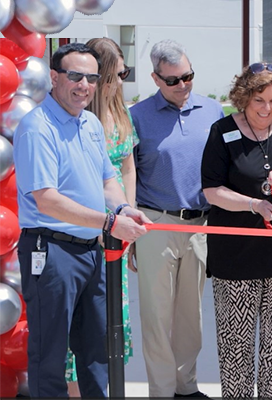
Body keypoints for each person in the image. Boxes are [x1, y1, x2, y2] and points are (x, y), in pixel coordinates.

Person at [12, 42, 149, 397]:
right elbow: (47, 200)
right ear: (54, 78)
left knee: (95, 353)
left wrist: (123, 209)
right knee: (51, 355)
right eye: (75, 76)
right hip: (53, 251)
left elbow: (107, 180)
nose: (84, 85)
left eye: (91, 77)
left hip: (92, 250)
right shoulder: (37, 127)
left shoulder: (88, 122)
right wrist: (108, 223)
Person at [201, 62, 272, 399]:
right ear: (243, 98)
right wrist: (254, 204)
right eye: (259, 101)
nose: (267, 109)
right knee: (236, 344)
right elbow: (212, 191)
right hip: (235, 256)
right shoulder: (222, 131)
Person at [129, 39, 223, 397]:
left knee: (190, 316)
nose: (183, 85)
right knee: (156, 316)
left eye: (188, 76)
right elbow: (127, 174)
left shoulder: (212, 112)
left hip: (200, 225)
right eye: (173, 80)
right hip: (155, 224)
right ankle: (162, 391)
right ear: (155, 78)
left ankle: (187, 387)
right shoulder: (136, 117)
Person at [61, 37, 139, 395]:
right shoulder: (77, 117)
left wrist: (128, 214)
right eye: (118, 73)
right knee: (81, 324)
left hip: (115, 235)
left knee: (108, 319)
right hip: (83, 234)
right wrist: (97, 223)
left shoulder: (120, 113)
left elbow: (126, 168)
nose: (122, 80)